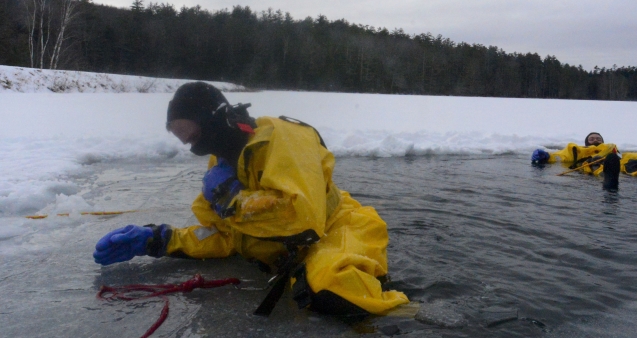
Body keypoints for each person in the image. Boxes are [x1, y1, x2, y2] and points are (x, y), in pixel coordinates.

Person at [92, 82, 409, 316]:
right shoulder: (223, 164)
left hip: (336, 228)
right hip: (293, 249)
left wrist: (230, 199)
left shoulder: (285, 139)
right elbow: (228, 236)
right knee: (313, 286)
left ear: (213, 119)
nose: (195, 148)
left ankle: (411, 318)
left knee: (332, 288)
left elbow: (301, 218)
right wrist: (161, 239)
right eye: (186, 142)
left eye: (194, 137)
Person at [531, 131, 637, 190]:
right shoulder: (577, 151)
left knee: (634, 160)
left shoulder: (613, 150)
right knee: (599, 163)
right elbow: (559, 156)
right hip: (592, 163)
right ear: (587, 142)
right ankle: (608, 179)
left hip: (616, 161)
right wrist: (544, 156)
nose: (595, 140)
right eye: (592, 138)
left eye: (598, 138)